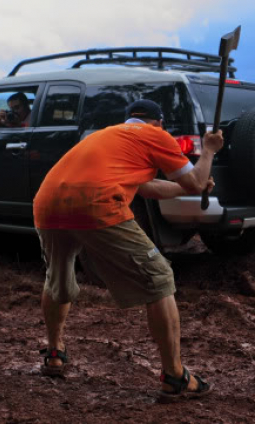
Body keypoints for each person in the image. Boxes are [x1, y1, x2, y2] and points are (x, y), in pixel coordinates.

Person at [33, 99, 223, 400]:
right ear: (157, 122)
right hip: (95, 202)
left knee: (57, 280)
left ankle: (55, 353)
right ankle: (175, 376)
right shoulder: (156, 135)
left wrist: (191, 186)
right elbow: (196, 180)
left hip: (47, 203)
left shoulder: (107, 136)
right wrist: (209, 150)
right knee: (159, 278)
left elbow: (149, 187)